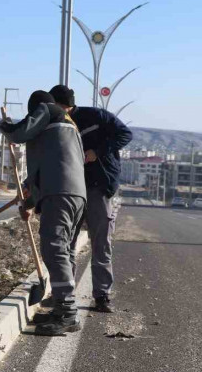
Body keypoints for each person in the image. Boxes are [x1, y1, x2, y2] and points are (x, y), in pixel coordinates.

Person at [1, 90, 87, 336]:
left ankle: (68, 312)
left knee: (54, 249)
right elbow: (49, 167)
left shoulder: (48, 111)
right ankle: (63, 309)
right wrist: (28, 202)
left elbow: (19, 132)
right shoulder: (68, 128)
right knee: (62, 250)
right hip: (75, 195)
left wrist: (5, 126)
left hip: (60, 193)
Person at [49, 84, 133, 313]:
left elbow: (125, 134)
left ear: (63, 104)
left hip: (98, 187)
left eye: (54, 106)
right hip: (71, 190)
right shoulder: (55, 124)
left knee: (101, 243)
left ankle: (102, 295)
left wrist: (97, 151)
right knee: (66, 243)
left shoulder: (96, 116)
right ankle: (64, 294)